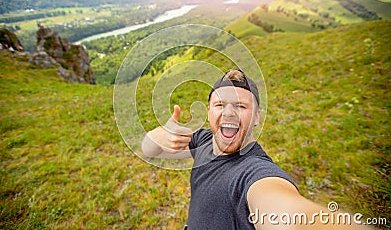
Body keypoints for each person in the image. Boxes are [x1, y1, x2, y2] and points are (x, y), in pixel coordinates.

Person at [142, 69, 372, 229]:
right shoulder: (202, 141)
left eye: (241, 106)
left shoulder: (254, 172)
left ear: (256, 118)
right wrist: (159, 135)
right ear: (209, 112)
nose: (229, 113)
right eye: (220, 104)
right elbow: (148, 150)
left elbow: (289, 215)